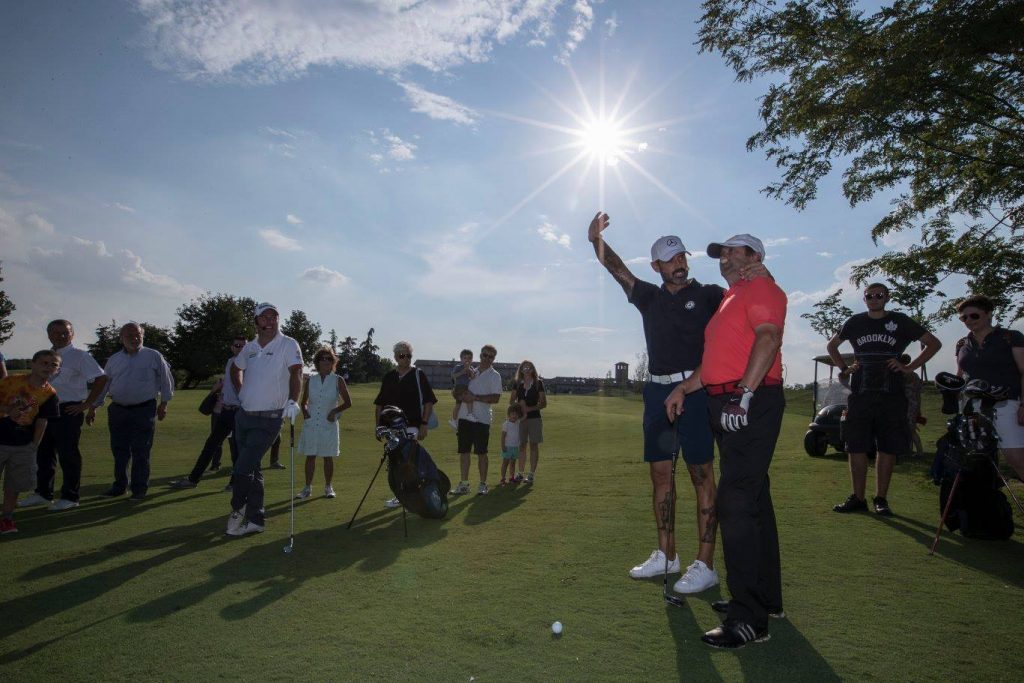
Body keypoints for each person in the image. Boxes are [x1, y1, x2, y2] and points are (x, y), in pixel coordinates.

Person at [589, 212, 766, 595]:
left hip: (697, 391)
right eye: (670, 260)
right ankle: (667, 554)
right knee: (660, 475)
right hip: (656, 394)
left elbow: (744, 302)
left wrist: (756, 272)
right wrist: (595, 241)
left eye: (682, 257)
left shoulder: (710, 295)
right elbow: (615, 268)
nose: (679, 264)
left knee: (701, 474)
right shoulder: (647, 296)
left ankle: (705, 563)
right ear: (656, 266)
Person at [665, 233, 786, 649]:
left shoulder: (762, 287)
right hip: (729, 399)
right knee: (754, 499)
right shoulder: (730, 299)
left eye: (736, 251)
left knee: (735, 502)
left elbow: (769, 339)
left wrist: (744, 395)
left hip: (749, 400)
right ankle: (765, 599)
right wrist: (684, 388)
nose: (727, 258)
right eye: (722, 253)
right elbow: (717, 362)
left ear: (756, 257)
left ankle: (749, 618)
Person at [826, 282, 941, 516]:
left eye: (879, 295)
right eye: (869, 296)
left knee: (887, 447)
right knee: (855, 446)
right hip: (861, 393)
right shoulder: (855, 322)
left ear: (887, 297)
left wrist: (909, 367)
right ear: (864, 299)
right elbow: (832, 346)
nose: (874, 299)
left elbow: (933, 343)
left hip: (892, 394)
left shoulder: (900, 321)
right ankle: (858, 498)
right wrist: (844, 368)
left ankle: (881, 499)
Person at [226, 303, 303, 536]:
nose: (269, 321)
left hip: (268, 419)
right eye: (264, 317)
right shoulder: (248, 347)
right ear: (256, 322)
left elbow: (297, 372)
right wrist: (241, 391)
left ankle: (237, 509)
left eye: (274, 316)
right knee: (253, 470)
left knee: (241, 470)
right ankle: (256, 520)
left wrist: (293, 400)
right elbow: (235, 369)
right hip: (244, 417)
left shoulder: (288, 344)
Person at [18, 320, 107, 511]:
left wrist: (86, 404)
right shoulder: (45, 356)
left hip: (68, 410)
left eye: (65, 333)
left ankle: (70, 496)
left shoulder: (79, 356)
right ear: (49, 335)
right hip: (42, 411)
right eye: (56, 333)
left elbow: (101, 378)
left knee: (68, 454)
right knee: (43, 453)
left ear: (72, 334)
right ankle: (43, 493)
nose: (61, 336)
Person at [94, 323, 174, 501]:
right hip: (118, 410)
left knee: (141, 450)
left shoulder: (153, 356)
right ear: (121, 338)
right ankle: (120, 486)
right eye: (129, 335)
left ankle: (139, 489)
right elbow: (105, 385)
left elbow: (166, 380)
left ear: (142, 336)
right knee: (119, 450)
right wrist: (94, 406)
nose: (134, 338)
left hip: (144, 409)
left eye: (137, 334)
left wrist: (164, 403)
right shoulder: (114, 359)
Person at [954, 294, 1024, 482]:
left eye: (974, 316)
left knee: (1016, 457)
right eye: (964, 318)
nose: (968, 321)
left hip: (1007, 403)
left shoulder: (1010, 337)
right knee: (978, 461)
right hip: (973, 408)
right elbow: (961, 376)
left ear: (988, 314)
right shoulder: (962, 344)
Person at [169, 336, 246, 490]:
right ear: (232, 347)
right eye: (237, 345)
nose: (240, 348)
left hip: (240, 412)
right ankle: (193, 479)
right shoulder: (230, 362)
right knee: (210, 445)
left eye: (243, 346)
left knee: (237, 449)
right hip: (226, 410)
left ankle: (235, 482)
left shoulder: (250, 364)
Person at [0, 350, 60, 534]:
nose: (48, 367)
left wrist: (34, 445)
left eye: (53, 365)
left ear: (57, 371)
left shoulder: (50, 394)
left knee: (14, 485)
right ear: (32, 364)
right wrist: (8, 409)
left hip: (22, 445)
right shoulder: (10, 381)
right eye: (44, 363)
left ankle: (6, 519)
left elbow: (42, 421)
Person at [373, 341, 437, 508]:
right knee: (395, 463)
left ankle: (410, 494)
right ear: (395, 357)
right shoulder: (389, 377)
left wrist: (424, 424)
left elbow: (429, 401)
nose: (406, 358)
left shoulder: (418, 374)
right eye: (402, 355)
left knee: (407, 460)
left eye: (409, 355)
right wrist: (378, 426)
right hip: (390, 427)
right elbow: (380, 404)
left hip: (412, 425)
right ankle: (402, 494)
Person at [296, 347, 352, 499]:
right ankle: (307, 488)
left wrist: (334, 411)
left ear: (333, 362)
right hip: (312, 423)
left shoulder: (337, 380)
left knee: (328, 457)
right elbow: (304, 402)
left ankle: (328, 487)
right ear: (318, 362)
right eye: (323, 359)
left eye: (329, 359)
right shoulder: (310, 380)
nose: (326, 361)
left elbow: (348, 403)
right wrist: (305, 412)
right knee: (310, 456)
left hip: (329, 424)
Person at [451, 344, 502, 496]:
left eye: (490, 356)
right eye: (484, 355)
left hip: (482, 419)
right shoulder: (470, 371)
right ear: (480, 355)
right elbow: (456, 390)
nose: (487, 358)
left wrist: (475, 398)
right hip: (464, 417)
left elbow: (496, 398)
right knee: (464, 452)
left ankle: (483, 484)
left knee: (481, 453)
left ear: (494, 358)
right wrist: (459, 395)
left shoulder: (495, 375)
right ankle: (464, 484)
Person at [510, 360, 546, 483]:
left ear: (532, 370)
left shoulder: (538, 383)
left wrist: (529, 409)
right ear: (521, 369)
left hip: (535, 418)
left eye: (529, 367)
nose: (526, 369)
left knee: (533, 445)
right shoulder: (517, 383)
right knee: (522, 446)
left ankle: (531, 474)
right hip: (522, 420)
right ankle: (520, 473)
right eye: (524, 367)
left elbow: (543, 403)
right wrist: (520, 408)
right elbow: (512, 401)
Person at [448, 349, 476, 429]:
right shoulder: (458, 367)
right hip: (460, 387)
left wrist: (470, 371)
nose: (467, 360)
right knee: (469, 398)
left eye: (469, 358)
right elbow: (453, 376)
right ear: (461, 359)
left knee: (458, 405)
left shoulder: (471, 368)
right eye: (465, 358)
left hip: (464, 387)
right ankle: (470, 414)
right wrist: (462, 372)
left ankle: (453, 420)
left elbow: (473, 377)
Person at [500, 404, 524, 485]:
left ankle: (512, 477)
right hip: (507, 447)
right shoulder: (506, 424)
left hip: (515, 447)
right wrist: (503, 446)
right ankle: (503, 478)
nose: (514, 415)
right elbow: (503, 437)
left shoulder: (518, 423)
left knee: (513, 463)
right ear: (509, 414)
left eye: (516, 414)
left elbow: (524, 416)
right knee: (505, 463)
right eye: (513, 413)